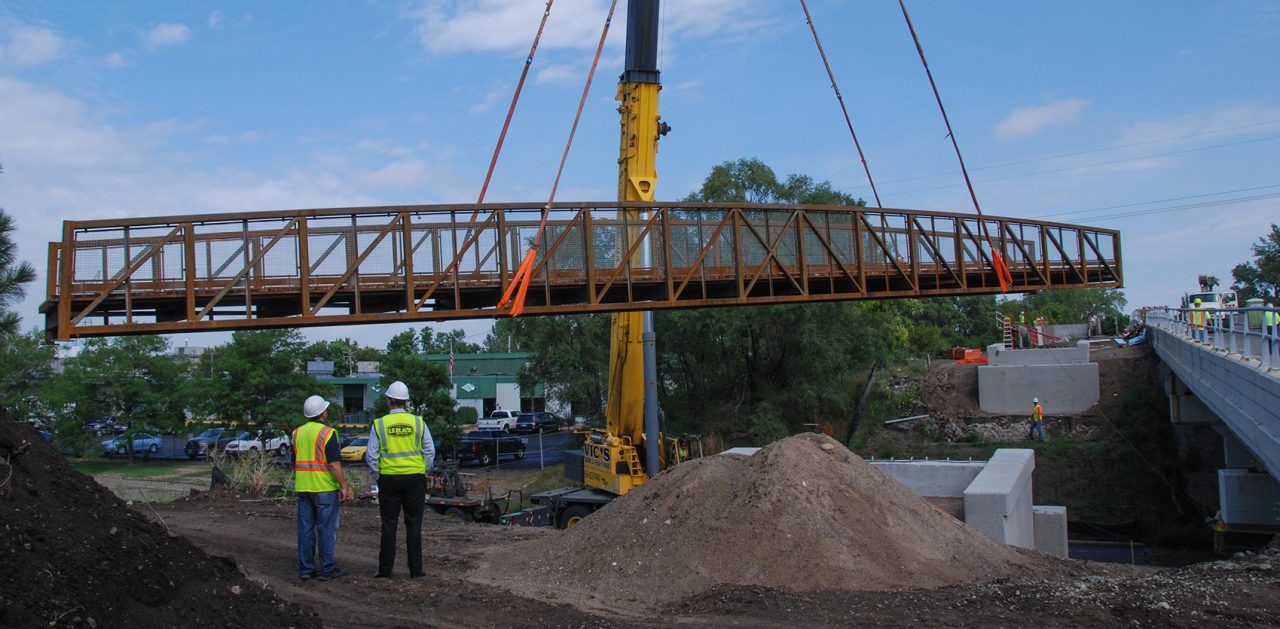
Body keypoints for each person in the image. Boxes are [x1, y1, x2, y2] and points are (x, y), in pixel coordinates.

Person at [367, 380, 435, 579]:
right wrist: (423, 472)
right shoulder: (418, 422)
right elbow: (430, 451)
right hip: (414, 479)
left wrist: (379, 476)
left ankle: (385, 570)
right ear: (405, 402)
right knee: (414, 525)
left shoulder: (379, 424)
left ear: (389, 401)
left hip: (389, 479)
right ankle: (416, 569)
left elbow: (371, 456)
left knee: (389, 525)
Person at [293, 395, 353, 582]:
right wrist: (343, 486)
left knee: (305, 529)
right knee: (326, 529)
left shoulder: (297, 433)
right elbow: (334, 465)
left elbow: (294, 461)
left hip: (304, 487)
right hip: (324, 488)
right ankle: (327, 568)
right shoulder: (328, 434)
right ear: (322, 413)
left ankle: (306, 568)